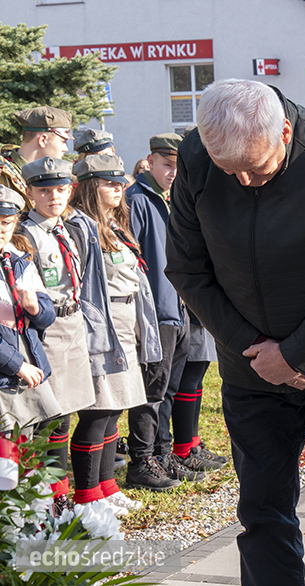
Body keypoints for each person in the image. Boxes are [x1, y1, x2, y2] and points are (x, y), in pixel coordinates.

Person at [165, 79, 305, 586]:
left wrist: (295, 355)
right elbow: (187, 269)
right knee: (263, 513)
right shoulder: (198, 156)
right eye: (230, 171)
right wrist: (259, 354)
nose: (244, 181)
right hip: (252, 372)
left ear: (285, 132)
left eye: (256, 166)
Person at [69, 154, 161, 515]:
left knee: (114, 410)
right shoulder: (81, 226)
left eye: (120, 182)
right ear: (90, 187)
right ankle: (87, 496)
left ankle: (106, 488)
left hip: (125, 321)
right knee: (98, 411)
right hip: (101, 325)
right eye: (109, 183)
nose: (118, 188)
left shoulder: (113, 223)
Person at [19, 156, 101, 512]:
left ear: (71, 190)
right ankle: (47, 496)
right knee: (48, 418)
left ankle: (60, 493)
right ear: (30, 193)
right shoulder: (25, 235)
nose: (53, 196)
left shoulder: (66, 228)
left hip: (73, 325)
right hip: (45, 331)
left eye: (60, 189)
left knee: (65, 414)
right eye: (44, 191)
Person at [124, 134, 202, 491]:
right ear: (150, 161)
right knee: (152, 390)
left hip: (178, 306)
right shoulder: (138, 200)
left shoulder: (171, 199)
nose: (173, 172)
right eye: (167, 165)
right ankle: (142, 460)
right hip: (156, 310)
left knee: (169, 387)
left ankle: (162, 453)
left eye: (177, 166)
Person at [0, 186, 58, 432]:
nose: (1, 229)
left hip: (24, 369)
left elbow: (48, 316)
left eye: (6, 223)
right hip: (10, 370)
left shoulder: (19, 261)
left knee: (24, 443)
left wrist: (35, 309)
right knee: (8, 448)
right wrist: (18, 365)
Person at [1, 107, 73, 207]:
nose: (66, 149)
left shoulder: (59, 175)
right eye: (63, 142)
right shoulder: (3, 175)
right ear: (43, 140)